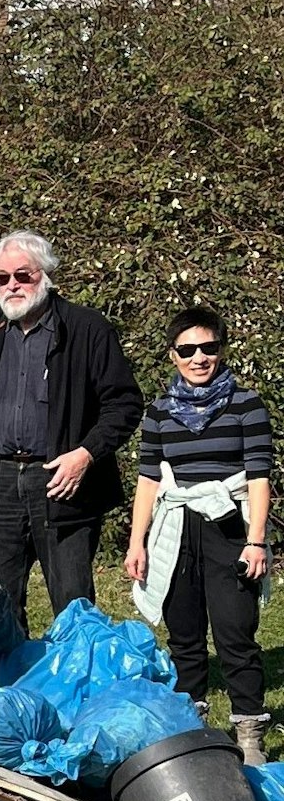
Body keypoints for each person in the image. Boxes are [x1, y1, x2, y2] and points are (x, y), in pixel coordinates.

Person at [0, 230, 142, 627]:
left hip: (63, 481)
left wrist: (85, 455)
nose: (12, 285)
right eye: (2, 277)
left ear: (45, 275)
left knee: (72, 599)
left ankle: (79, 683)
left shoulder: (88, 329)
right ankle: (11, 685)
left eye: (22, 275)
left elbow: (125, 404)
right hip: (1, 482)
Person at [124, 307, 274, 765]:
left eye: (208, 348)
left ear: (221, 349)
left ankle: (249, 734)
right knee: (184, 636)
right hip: (176, 527)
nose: (199, 358)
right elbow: (149, 479)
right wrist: (137, 542)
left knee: (235, 633)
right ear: (173, 356)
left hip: (230, 523)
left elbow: (259, 477)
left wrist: (256, 540)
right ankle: (193, 735)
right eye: (187, 350)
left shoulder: (247, 405)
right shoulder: (159, 413)